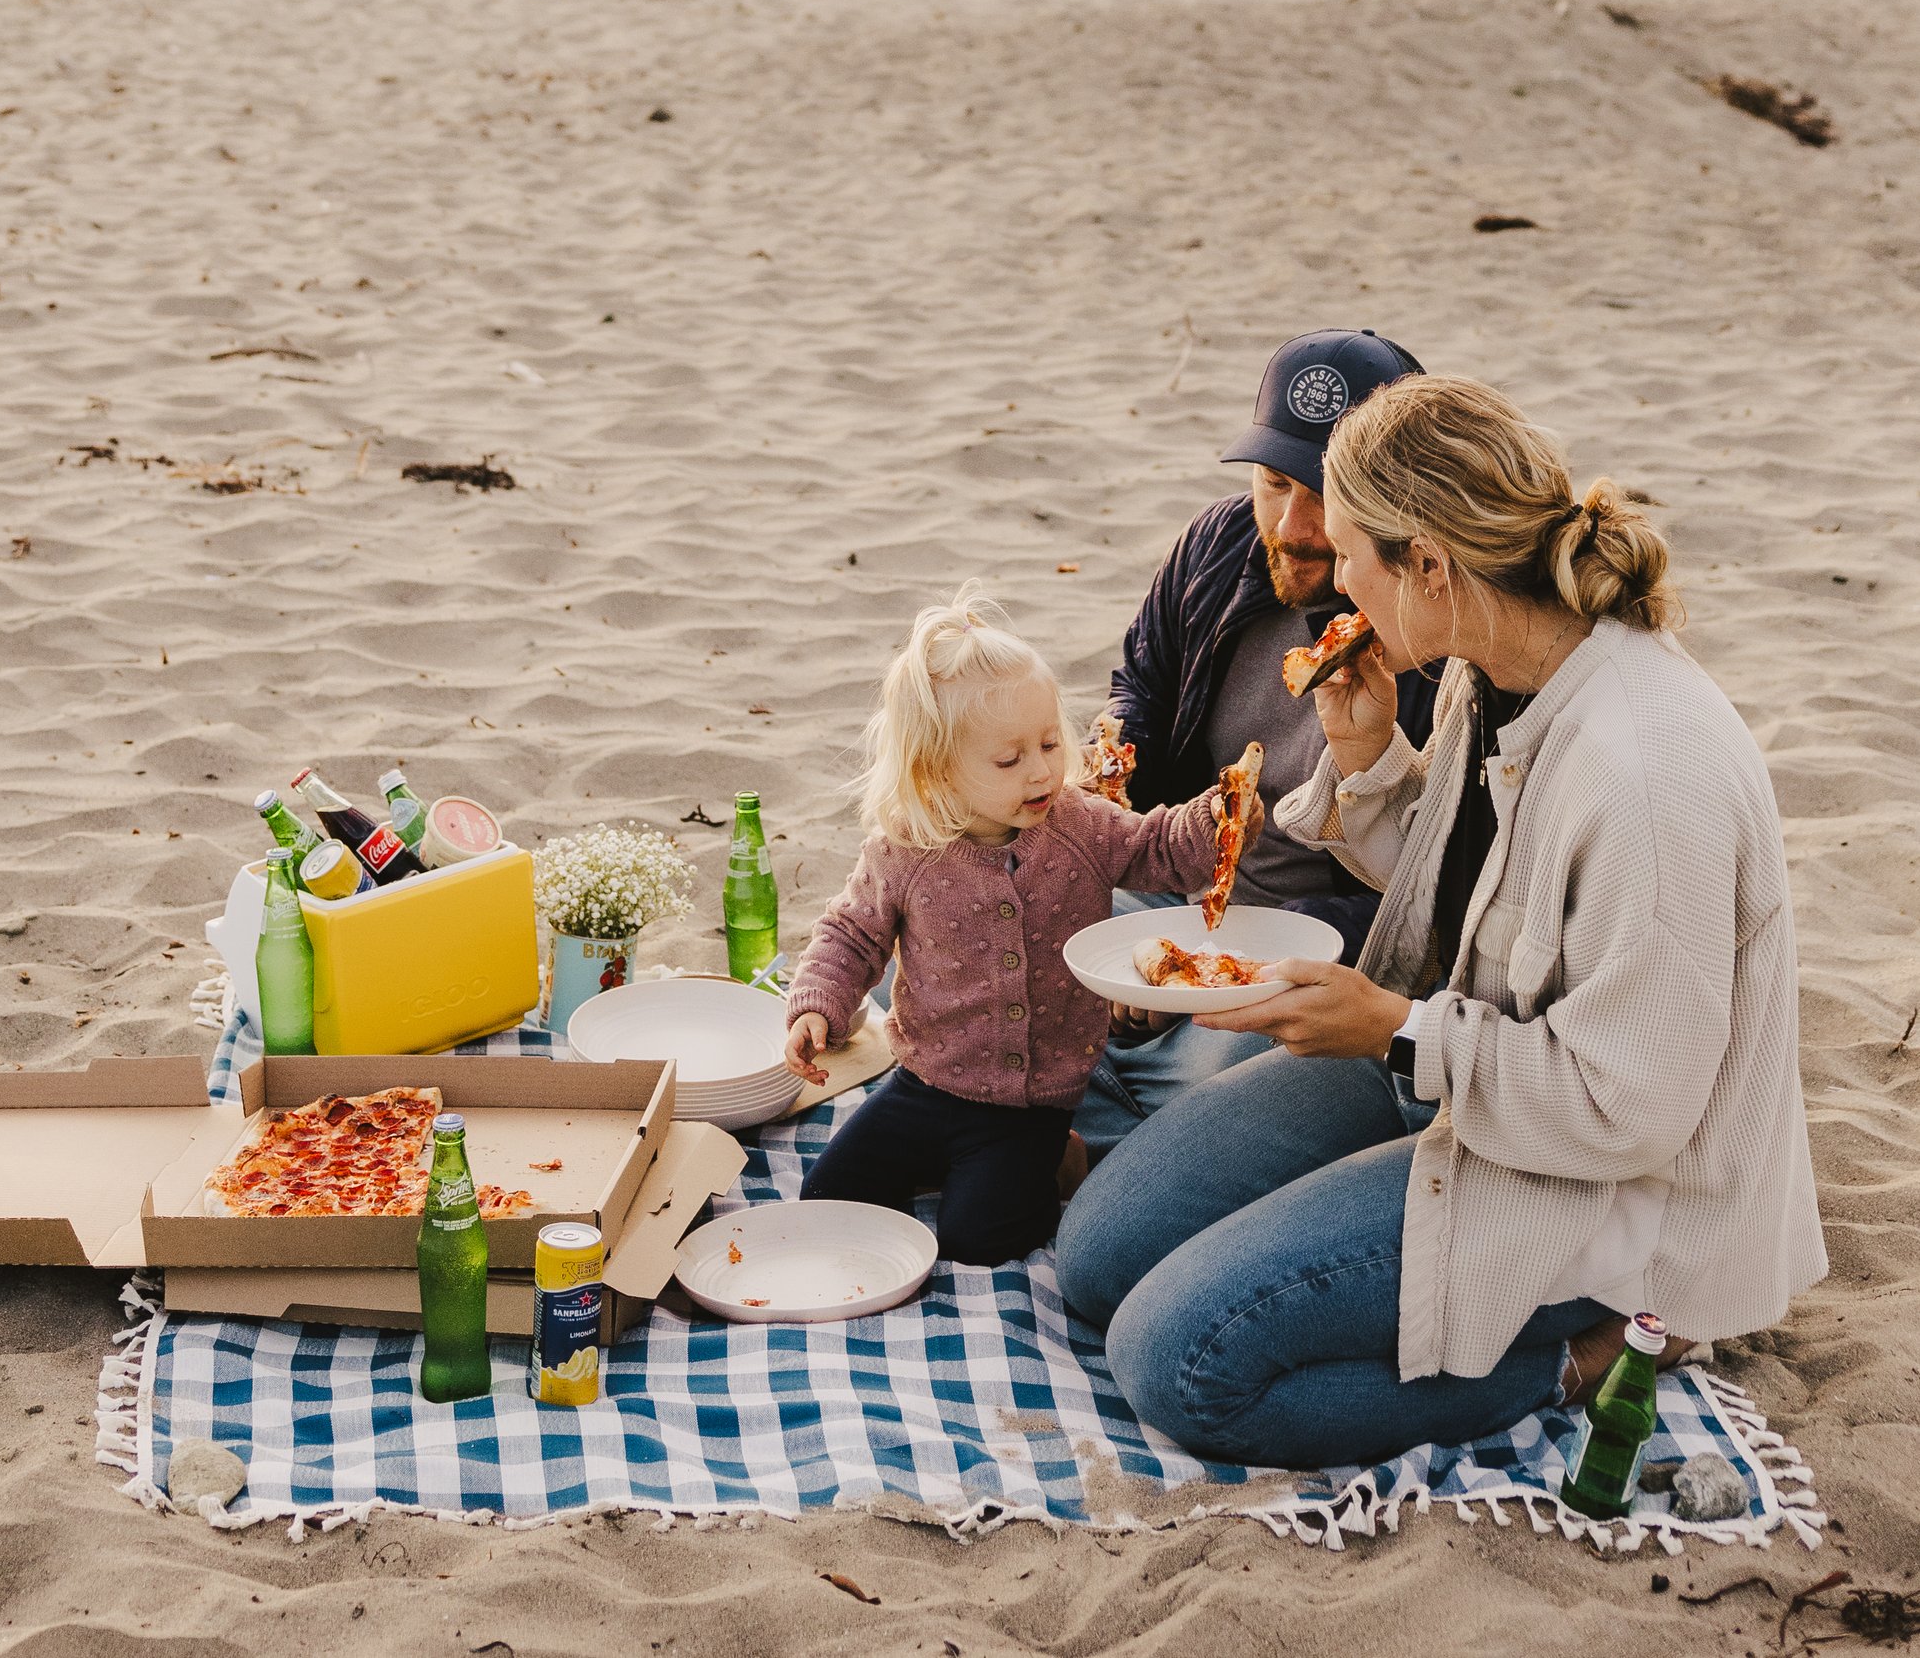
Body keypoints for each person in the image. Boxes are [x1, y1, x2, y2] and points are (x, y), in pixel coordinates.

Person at [1054, 376, 1824, 1467]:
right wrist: (1370, 757)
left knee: (1174, 1361)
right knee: (1095, 1258)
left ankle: (1590, 1352)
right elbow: (1483, 897)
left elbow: (1632, 1109)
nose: (1335, 579)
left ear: (1427, 565)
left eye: (1350, 552)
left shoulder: (1646, 776)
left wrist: (1393, 1031)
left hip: (1604, 1179)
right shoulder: (1492, 661)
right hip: (1457, 1067)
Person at [781, 592, 1228, 1264]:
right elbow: (852, 934)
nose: (1042, 769)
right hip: (925, 1082)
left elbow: (1157, 850)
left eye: (1049, 743)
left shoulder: (1079, 826)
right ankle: (963, 1168)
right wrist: (817, 1006)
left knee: (978, 1239)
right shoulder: (907, 847)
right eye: (1009, 759)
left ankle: (1057, 1161)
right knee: (828, 1197)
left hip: (1032, 1102)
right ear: (937, 770)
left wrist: (1214, 817)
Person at [1077, 330, 1439, 1149]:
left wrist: (1239, 951)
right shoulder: (1219, 542)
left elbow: (1434, 896)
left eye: (1327, 494)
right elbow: (1139, 680)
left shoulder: (1430, 621)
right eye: (1274, 483)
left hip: (1322, 942)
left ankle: (1109, 1120)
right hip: (1181, 885)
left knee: (1213, 1078)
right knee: (972, 936)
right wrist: (1116, 757)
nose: (1292, 524)